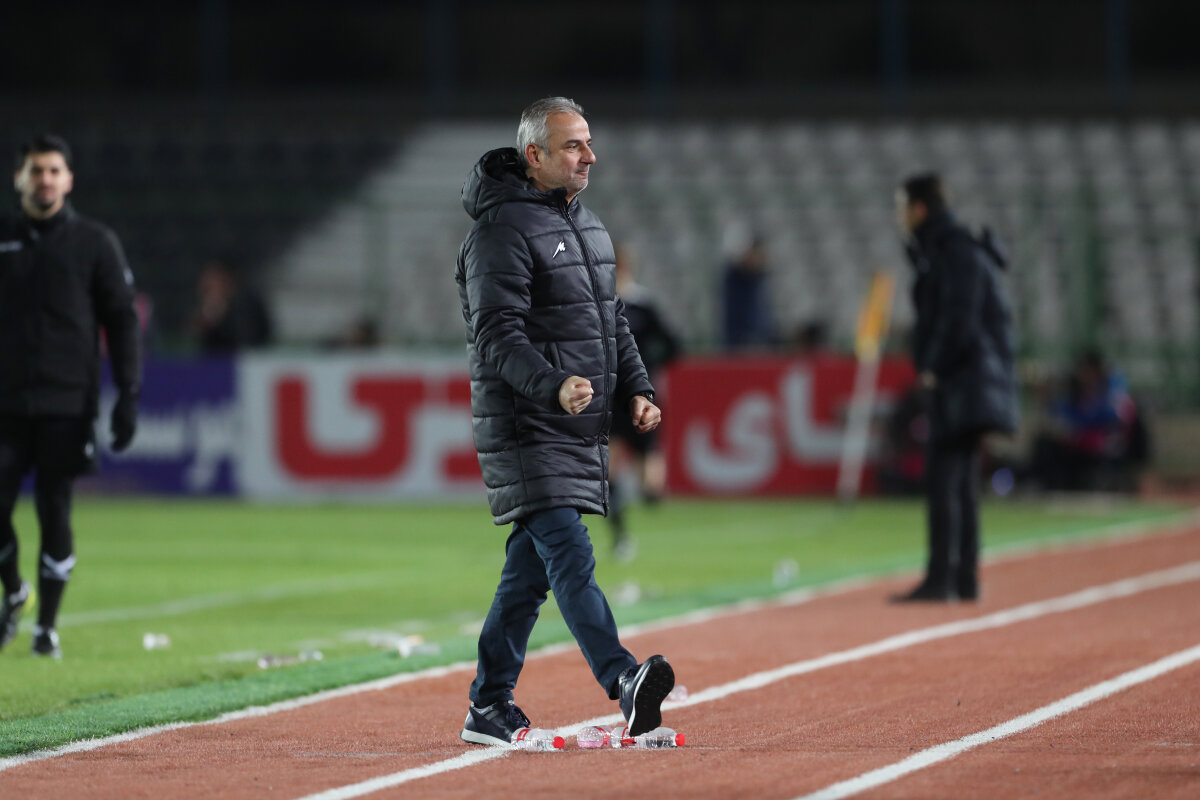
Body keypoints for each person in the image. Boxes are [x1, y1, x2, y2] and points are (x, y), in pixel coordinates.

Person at [455, 97, 675, 746]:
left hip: (573, 425)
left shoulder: (588, 225)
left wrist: (635, 388)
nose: (589, 156)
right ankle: (622, 677)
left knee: (528, 577)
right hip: (526, 426)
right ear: (535, 155)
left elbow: (611, 323)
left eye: (588, 143)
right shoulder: (499, 232)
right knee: (571, 554)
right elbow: (496, 334)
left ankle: (488, 704)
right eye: (574, 145)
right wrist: (551, 385)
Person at [0, 134, 141, 657]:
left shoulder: (94, 243)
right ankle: (15, 589)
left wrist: (128, 393)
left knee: (54, 508)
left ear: (69, 180)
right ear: (19, 178)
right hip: (5, 401)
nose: (45, 179)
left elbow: (122, 321)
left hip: (66, 401)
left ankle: (46, 628)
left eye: (54, 170)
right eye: (36, 170)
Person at [892, 172, 1018, 603]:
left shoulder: (954, 252)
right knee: (960, 478)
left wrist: (933, 365)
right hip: (973, 374)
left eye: (902, 207)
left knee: (945, 476)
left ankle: (942, 578)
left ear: (920, 208)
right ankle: (963, 578)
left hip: (964, 376)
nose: (899, 216)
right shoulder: (952, 249)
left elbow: (958, 316)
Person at [607, 244, 682, 561]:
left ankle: (649, 495)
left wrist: (648, 365)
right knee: (607, 469)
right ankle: (620, 537)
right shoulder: (596, 303)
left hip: (639, 395)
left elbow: (674, 345)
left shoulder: (642, 305)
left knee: (650, 484)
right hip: (609, 396)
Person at [1025, 350, 1146, 491]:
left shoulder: (1114, 388)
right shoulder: (1077, 389)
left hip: (1104, 447)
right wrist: (1047, 399)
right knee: (1044, 443)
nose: (1083, 375)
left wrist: (1082, 424)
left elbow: (1114, 416)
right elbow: (1064, 412)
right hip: (1079, 445)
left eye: (1086, 370)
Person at [190, 259, 273, 354]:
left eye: (213, 281)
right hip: (214, 358)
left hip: (244, 358)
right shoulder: (204, 305)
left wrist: (223, 316)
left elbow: (249, 337)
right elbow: (194, 335)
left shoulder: (246, 303)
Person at [720, 233, 776, 350]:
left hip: (759, 339)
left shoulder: (759, 279)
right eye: (755, 253)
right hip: (739, 341)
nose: (759, 258)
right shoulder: (734, 276)